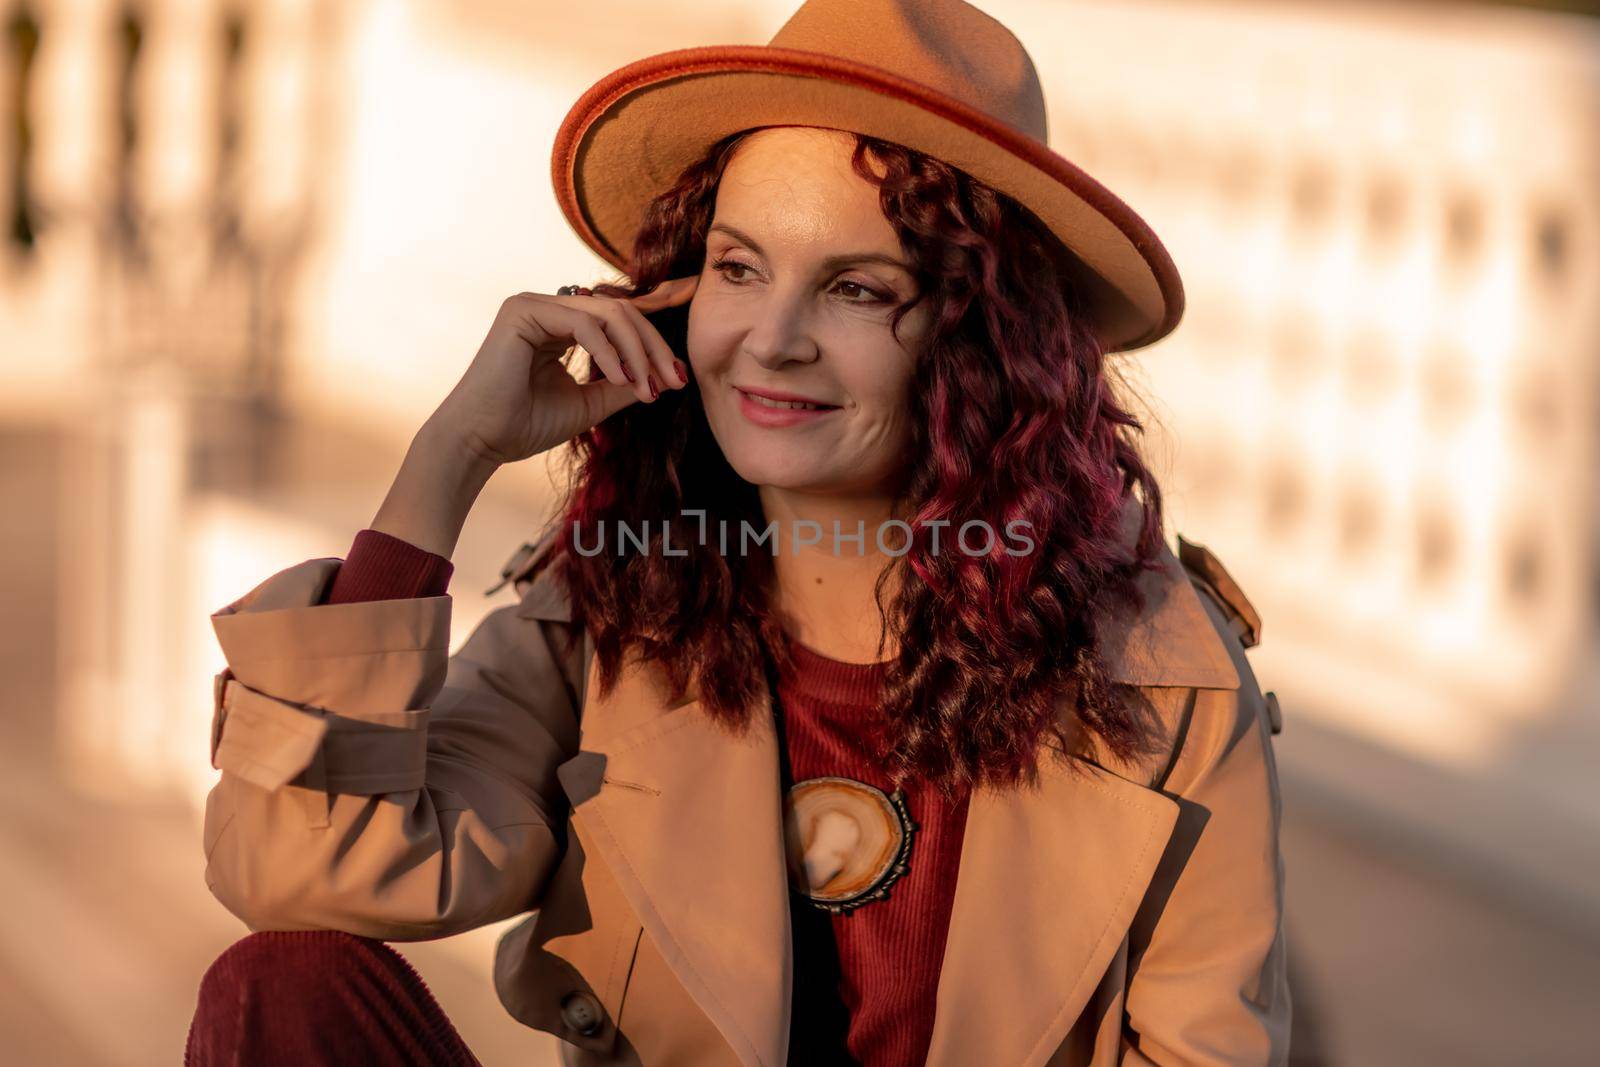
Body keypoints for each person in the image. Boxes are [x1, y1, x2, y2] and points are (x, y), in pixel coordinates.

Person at [186, 1, 1291, 1065]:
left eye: (858, 289)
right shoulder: (611, 618)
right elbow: (304, 865)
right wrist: (450, 456)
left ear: (981, 339)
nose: (770, 339)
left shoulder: (1162, 680)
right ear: (674, 292)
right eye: (738, 267)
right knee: (280, 987)